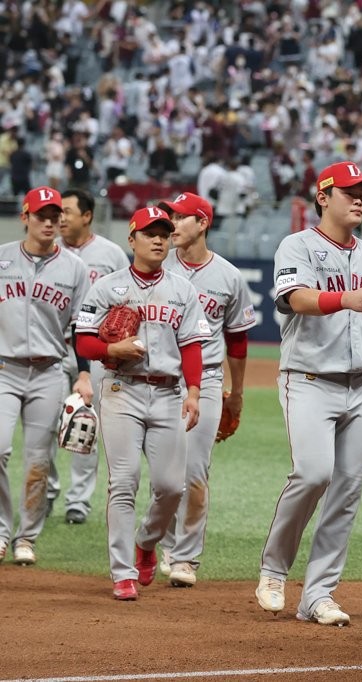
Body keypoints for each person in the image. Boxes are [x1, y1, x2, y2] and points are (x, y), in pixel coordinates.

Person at [255, 161, 362, 626]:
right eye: (350, 191)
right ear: (323, 197)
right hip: (308, 380)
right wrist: (343, 299)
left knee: (348, 490)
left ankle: (319, 594)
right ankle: (273, 571)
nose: (359, 199)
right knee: (313, 474)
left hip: (360, 387)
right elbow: (294, 298)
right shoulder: (298, 245)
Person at [74, 205, 210, 600]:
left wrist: (195, 391)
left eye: (164, 234)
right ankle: (123, 573)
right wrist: (109, 347)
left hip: (168, 394)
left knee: (171, 487)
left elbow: (191, 346)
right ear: (131, 239)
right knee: (124, 482)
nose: (158, 240)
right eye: (150, 233)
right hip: (122, 391)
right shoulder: (107, 287)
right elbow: (83, 339)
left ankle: (147, 543)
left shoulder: (183, 289)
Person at [158, 192, 256, 587]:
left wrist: (238, 393)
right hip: (162, 378)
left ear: (202, 223)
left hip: (210, 379)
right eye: (170, 217)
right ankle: (162, 544)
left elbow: (237, 341)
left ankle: (186, 558)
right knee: (164, 474)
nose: (172, 224)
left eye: (181, 217)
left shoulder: (229, 277)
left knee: (196, 471)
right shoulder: (156, 267)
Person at [0, 187, 90, 565]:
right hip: (5, 368)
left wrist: (83, 375)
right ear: (25, 218)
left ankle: (26, 538)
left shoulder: (75, 268)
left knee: (39, 460)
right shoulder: (2, 259)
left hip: (50, 372)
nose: (50, 222)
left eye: (55, 216)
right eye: (42, 216)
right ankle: (2, 530)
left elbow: (82, 328)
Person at [45, 188, 130, 526]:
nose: (60, 218)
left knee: (84, 424)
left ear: (87, 216)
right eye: (57, 213)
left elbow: (127, 301)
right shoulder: (47, 251)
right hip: (53, 349)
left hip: (92, 354)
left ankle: (78, 500)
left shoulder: (110, 254)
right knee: (46, 425)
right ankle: (46, 493)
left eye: (66, 211)